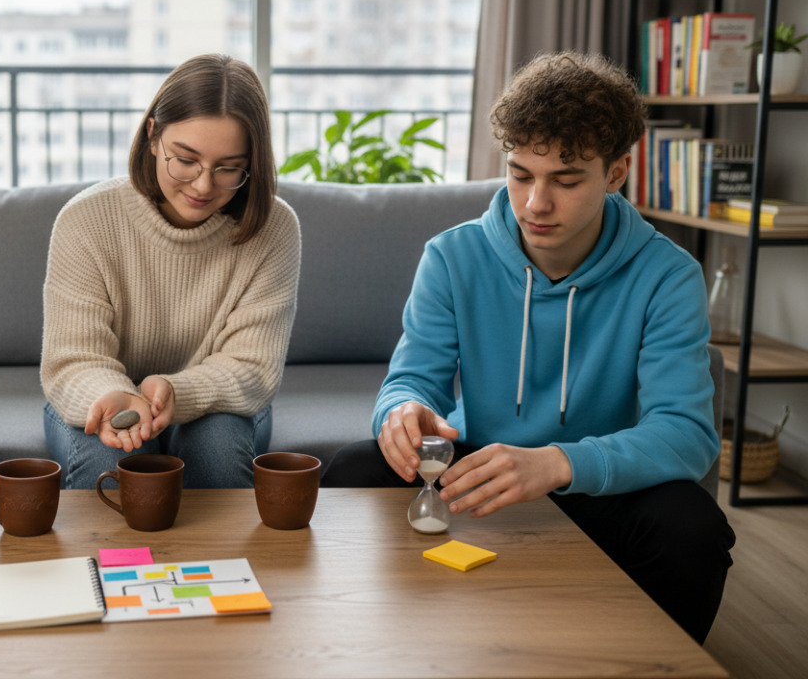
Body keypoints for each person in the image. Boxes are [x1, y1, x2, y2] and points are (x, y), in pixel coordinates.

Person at [321, 52, 735, 644]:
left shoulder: (668, 276)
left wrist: (559, 463)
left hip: (599, 483)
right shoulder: (452, 256)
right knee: (353, 469)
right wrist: (402, 413)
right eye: (520, 175)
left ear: (616, 172)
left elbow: (686, 433)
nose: (536, 203)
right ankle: (380, 642)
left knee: (692, 529)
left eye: (566, 181)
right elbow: (411, 380)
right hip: (478, 472)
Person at [41, 54, 301, 489]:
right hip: (100, 392)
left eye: (229, 168)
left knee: (217, 454)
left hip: (215, 402)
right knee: (109, 461)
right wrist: (118, 396)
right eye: (185, 159)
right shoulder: (85, 220)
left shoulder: (274, 228)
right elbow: (75, 359)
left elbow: (252, 366)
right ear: (152, 135)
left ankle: (222, 542)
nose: (203, 185)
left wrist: (176, 392)